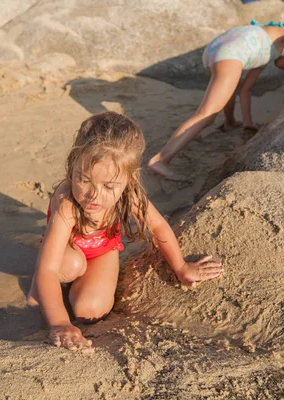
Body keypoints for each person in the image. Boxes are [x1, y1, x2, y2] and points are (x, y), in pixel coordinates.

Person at [27, 111, 223, 353]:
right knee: (71, 266)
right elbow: (48, 267)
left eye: (109, 186)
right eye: (84, 179)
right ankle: (41, 288)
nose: (94, 195)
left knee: (90, 311)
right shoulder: (67, 203)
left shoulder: (130, 193)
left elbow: (159, 226)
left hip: (103, 250)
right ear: (73, 165)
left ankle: (68, 292)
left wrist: (181, 267)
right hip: (68, 253)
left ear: (128, 179)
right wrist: (59, 324)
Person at [147, 21, 284, 179]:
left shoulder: (265, 47)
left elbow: (246, 89)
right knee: (206, 114)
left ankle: (229, 122)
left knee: (229, 87)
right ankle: (161, 158)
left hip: (218, 50)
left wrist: (246, 122)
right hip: (231, 52)